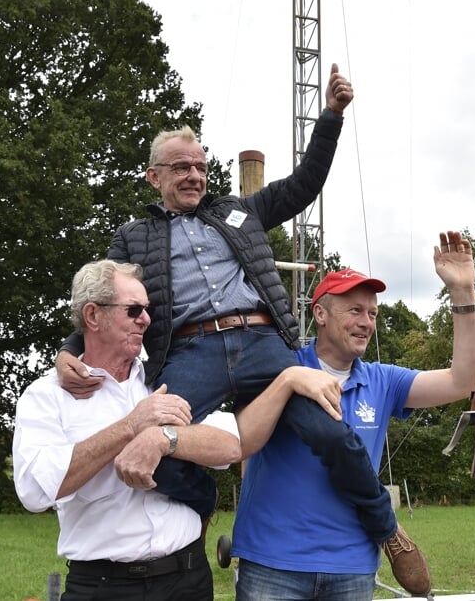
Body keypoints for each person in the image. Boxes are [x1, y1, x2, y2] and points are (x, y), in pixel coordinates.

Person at [52, 65, 429, 592]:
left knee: (333, 434)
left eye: (201, 166)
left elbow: (304, 186)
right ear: (154, 176)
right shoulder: (133, 236)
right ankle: (203, 510)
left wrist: (332, 117)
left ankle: (389, 532)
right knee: (141, 440)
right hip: (192, 352)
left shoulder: (239, 212)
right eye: (179, 167)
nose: (193, 175)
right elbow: (105, 293)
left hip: (262, 345)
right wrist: (70, 348)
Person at [230, 230, 475, 600]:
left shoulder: (384, 381)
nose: (366, 321)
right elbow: (238, 439)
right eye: (355, 310)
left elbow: (463, 381)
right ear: (319, 313)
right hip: (273, 563)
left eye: (372, 313)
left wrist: (463, 292)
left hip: (352, 567)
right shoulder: (279, 368)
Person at [12, 260, 242, 601]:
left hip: (187, 580)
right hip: (103, 587)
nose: (146, 320)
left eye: (147, 309)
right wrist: (130, 426)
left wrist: (164, 438)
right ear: (93, 316)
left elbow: (231, 444)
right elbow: (33, 491)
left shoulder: (166, 378)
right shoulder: (47, 396)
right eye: (133, 310)